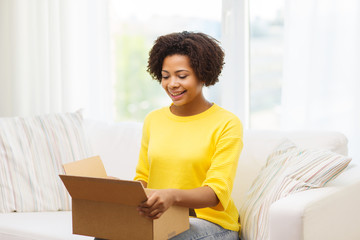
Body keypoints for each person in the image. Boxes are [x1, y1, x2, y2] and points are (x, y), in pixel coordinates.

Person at [134, 31, 243, 240]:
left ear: (203, 74)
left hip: (213, 224)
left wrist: (172, 196)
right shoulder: (153, 120)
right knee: (108, 233)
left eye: (182, 76)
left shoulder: (227, 123)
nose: (172, 84)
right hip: (163, 219)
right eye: (166, 76)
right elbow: (144, 179)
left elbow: (215, 193)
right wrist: (117, 192)